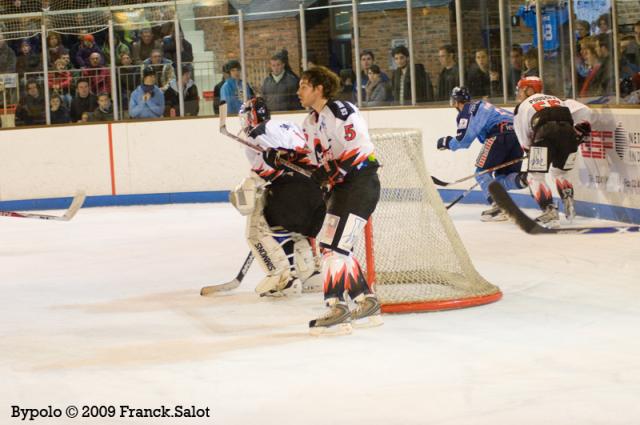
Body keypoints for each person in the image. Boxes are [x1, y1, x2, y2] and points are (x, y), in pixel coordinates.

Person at [273, 66, 382, 335]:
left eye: (303, 86)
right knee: (331, 247)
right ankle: (365, 301)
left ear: (319, 88)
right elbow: (309, 159)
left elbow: (359, 149)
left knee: (335, 249)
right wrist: (280, 158)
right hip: (341, 189)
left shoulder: (342, 111)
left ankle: (336, 307)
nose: (298, 92)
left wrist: (333, 171)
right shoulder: (310, 123)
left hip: (361, 184)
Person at [231, 97, 325, 297]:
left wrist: (246, 188)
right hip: (318, 191)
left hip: (292, 191)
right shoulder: (289, 125)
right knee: (298, 232)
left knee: (262, 229)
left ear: (251, 116)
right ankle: (310, 275)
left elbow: (263, 172)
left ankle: (283, 277)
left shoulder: (256, 134)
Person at [436, 87, 527, 221]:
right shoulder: (484, 105)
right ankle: (526, 178)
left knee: (482, 172)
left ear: (456, 102)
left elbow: (463, 140)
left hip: (499, 136)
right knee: (503, 177)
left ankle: (499, 207)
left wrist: (447, 142)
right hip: (518, 138)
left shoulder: (468, 109)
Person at [513, 76, 592, 226]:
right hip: (568, 134)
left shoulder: (522, 106)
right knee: (560, 172)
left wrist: (530, 151)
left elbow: (524, 138)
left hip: (544, 134)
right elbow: (586, 112)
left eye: (521, 90)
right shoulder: (556, 99)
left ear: (529, 90)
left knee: (534, 176)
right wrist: (583, 128)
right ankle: (568, 200)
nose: (519, 94)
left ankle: (549, 211)